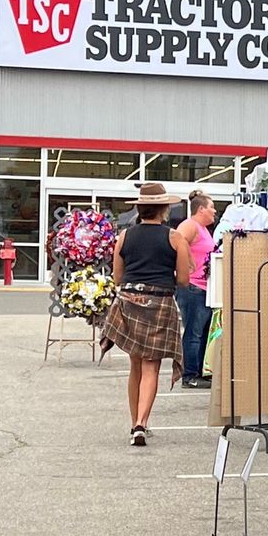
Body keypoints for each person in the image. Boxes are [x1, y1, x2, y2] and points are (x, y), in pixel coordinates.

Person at [101, 183, 191, 446]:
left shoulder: (124, 236)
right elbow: (184, 279)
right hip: (160, 302)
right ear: (164, 208)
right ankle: (142, 423)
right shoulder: (175, 237)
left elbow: (118, 277)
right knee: (152, 365)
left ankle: (134, 424)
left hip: (129, 301)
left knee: (135, 364)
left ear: (139, 208)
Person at [174, 192, 217, 388]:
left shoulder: (203, 229)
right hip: (193, 287)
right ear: (201, 209)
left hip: (204, 288)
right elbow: (176, 241)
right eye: (212, 207)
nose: (215, 210)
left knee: (202, 332)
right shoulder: (190, 225)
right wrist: (186, 263)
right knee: (194, 333)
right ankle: (189, 375)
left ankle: (199, 371)